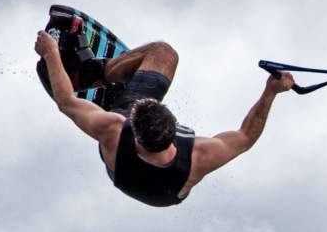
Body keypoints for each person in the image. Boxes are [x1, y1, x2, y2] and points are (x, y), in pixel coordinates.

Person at [34, 29, 294, 208]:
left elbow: (66, 102)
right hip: (165, 195)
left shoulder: (113, 130)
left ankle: (93, 73)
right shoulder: (198, 158)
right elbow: (246, 137)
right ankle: (124, 83)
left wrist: (51, 53)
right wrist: (271, 92)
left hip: (123, 166)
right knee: (154, 71)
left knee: (163, 53)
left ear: (133, 130)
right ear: (173, 129)